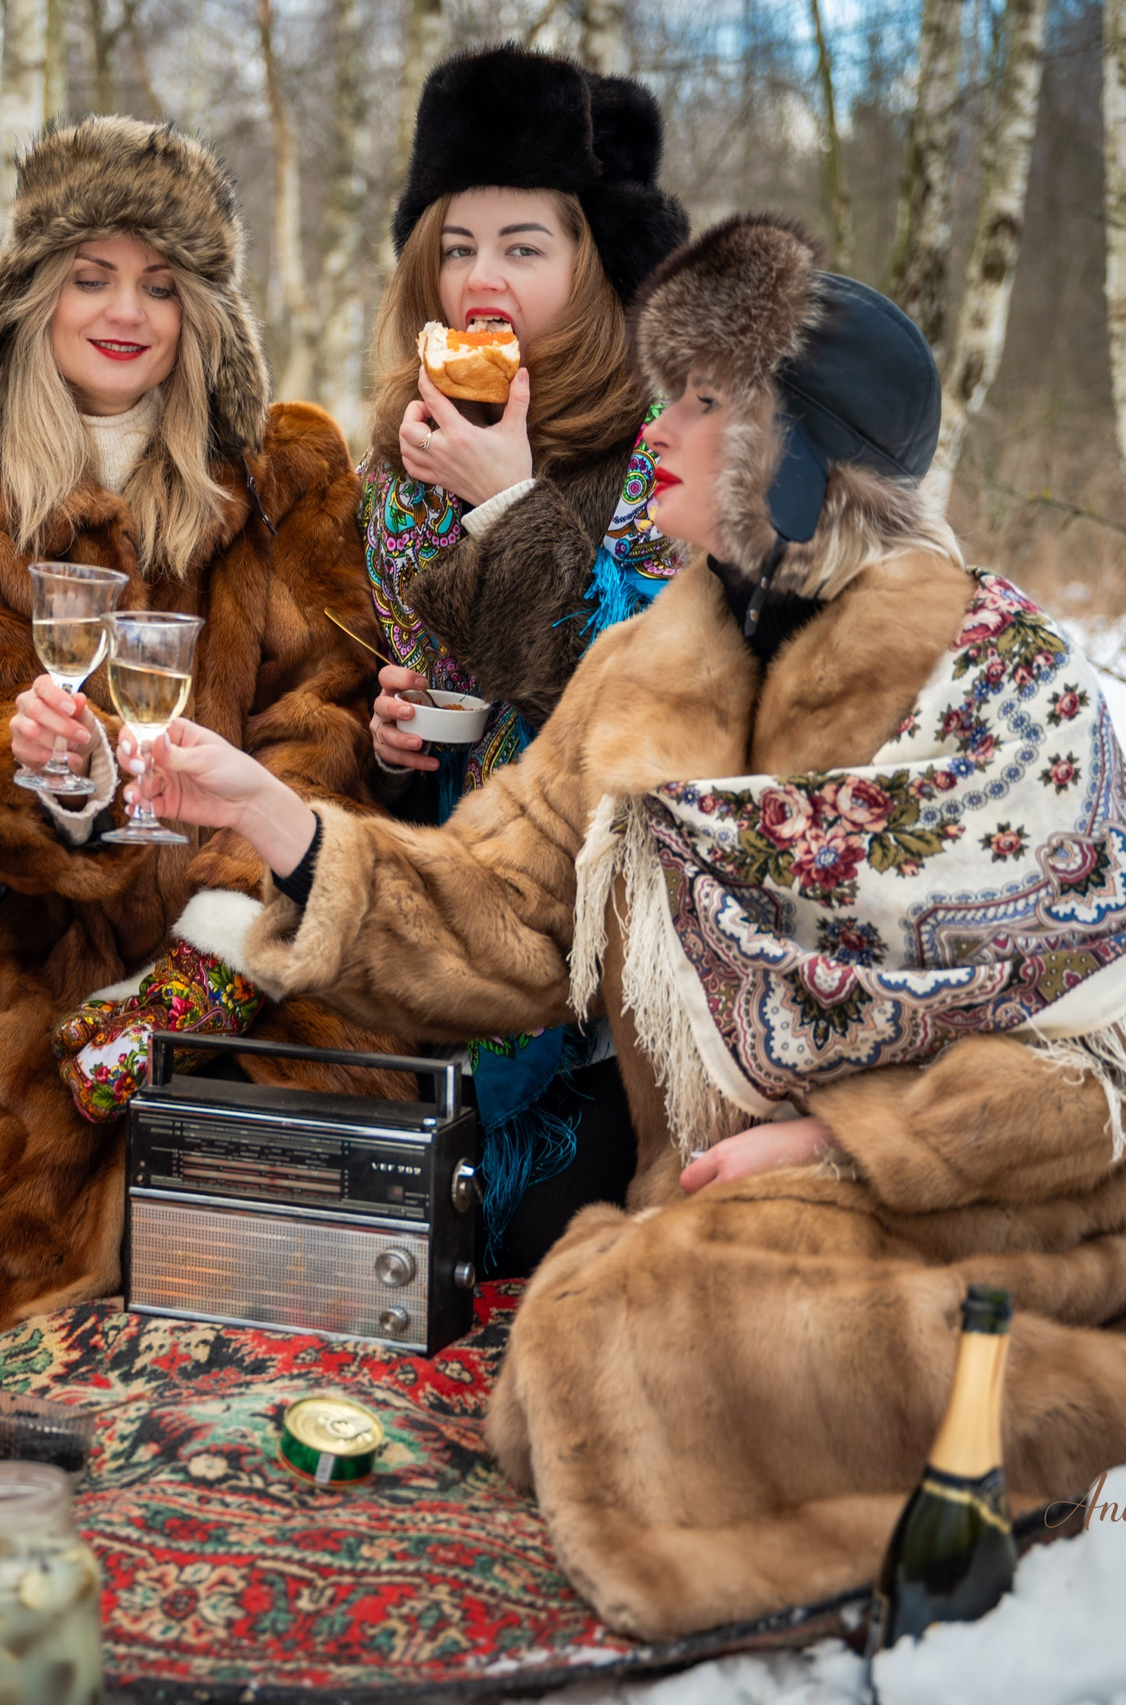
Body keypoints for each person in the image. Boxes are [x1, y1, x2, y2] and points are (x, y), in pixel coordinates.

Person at [117, 217, 1126, 1637]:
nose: (659, 427)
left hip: (989, 1198)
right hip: (727, 1203)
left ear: (803, 453)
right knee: (622, 1328)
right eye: (667, 391)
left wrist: (832, 1142)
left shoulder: (994, 680)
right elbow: (505, 914)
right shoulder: (642, 665)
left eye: (705, 402)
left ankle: (1045, 1409)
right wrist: (277, 819)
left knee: (636, 1343)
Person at [0, 116, 405, 1358]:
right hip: (59, 939)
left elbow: (331, 707)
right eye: (90, 275)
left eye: (162, 282)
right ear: (31, 292)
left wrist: (225, 927)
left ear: (202, 308)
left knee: (341, 1257)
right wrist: (53, 776)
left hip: (263, 929)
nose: (126, 311)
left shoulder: (283, 472)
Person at [355, 46, 689, 1274]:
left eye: (522, 246)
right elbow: (416, 676)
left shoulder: (671, 437)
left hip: (612, 956)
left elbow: (651, 697)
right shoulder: (410, 445)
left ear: (591, 266)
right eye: (456, 245)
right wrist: (387, 735)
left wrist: (511, 504)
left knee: (547, 1244)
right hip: (450, 917)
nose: (480, 279)